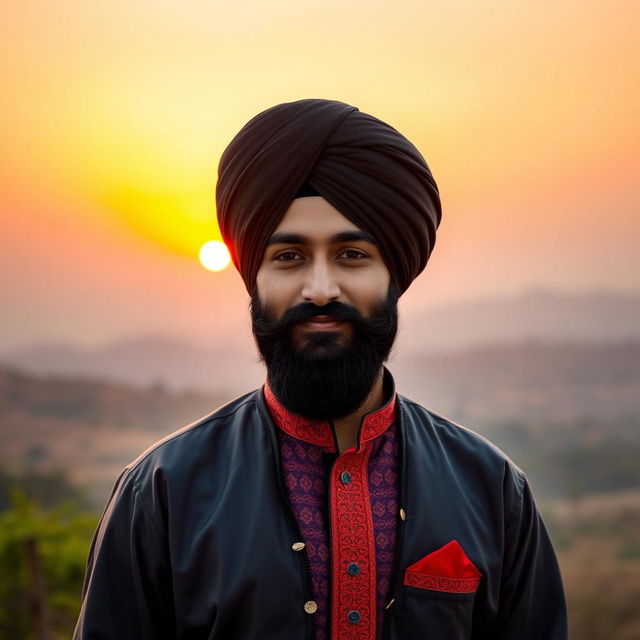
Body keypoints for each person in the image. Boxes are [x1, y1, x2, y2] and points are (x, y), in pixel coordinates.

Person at [74, 98, 567, 640]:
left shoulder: (492, 489)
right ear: (253, 278)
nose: (321, 288)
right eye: (288, 257)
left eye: (352, 255)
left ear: (393, 277)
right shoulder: (161, 492)